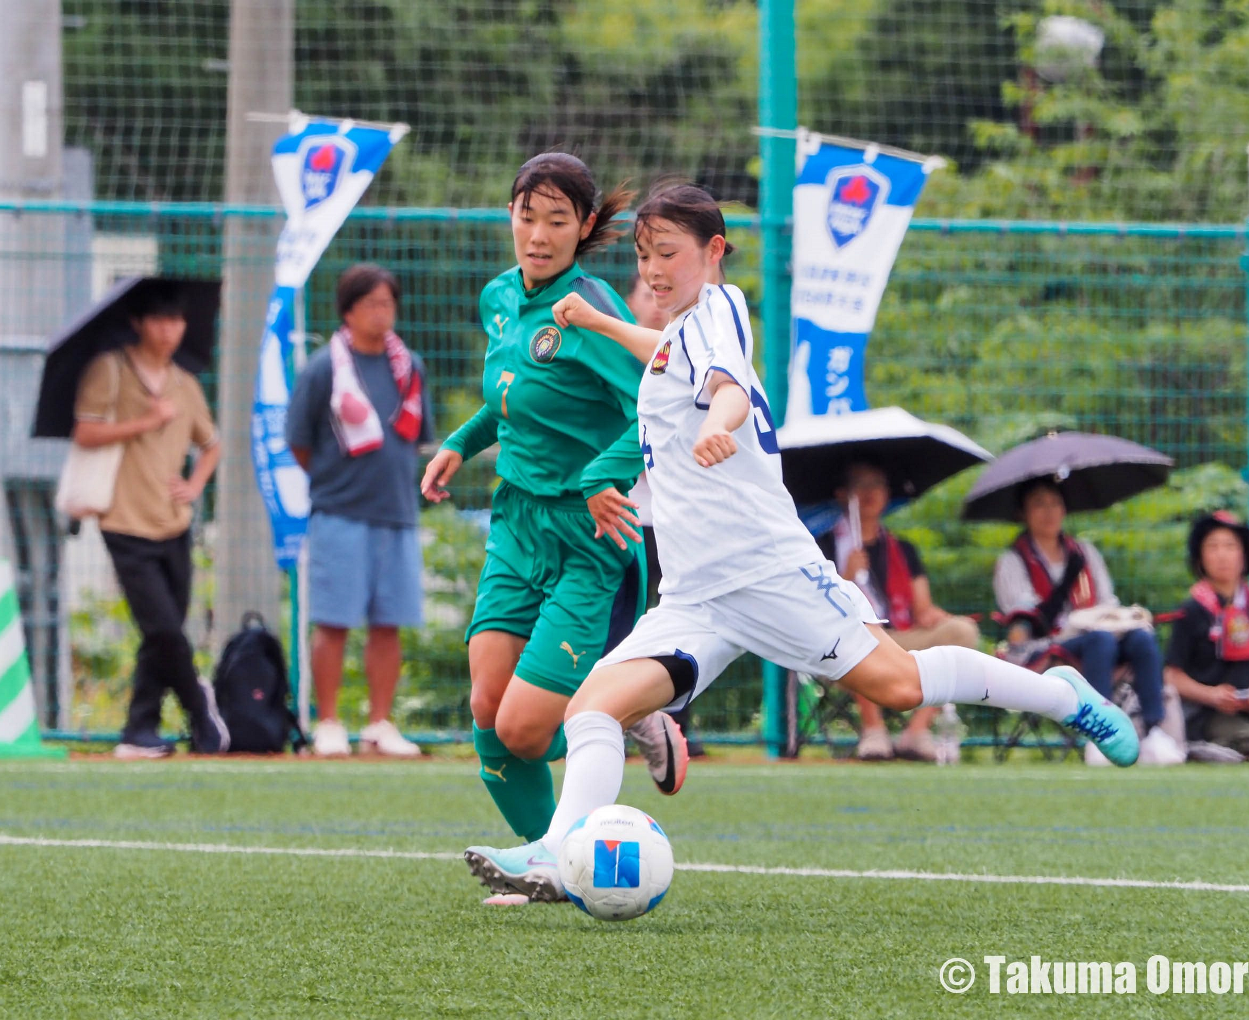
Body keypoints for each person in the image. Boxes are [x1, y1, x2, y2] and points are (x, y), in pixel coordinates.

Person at [463, 182, 1138, 902]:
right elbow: (666, 352)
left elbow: (723, 381)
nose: (653, 270)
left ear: (713, 252)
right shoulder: (679, 332)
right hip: (695, 595)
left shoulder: (718, 310)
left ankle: (1062, 697)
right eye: (642, 254)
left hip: (766, 573)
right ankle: (560, 850)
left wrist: (724, 420)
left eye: (668, 254)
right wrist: (600, 323)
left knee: (900, 685)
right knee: (592, 705)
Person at [420, 153, 687, 849]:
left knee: (523, 730)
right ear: (509, 215)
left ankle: (627, 713)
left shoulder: (592, 309)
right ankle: (555, 865)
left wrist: (603, 474)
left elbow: (657, 405)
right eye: (526, 216)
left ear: (585, 227)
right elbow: (512, 396)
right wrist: (462, 440)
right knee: (486, 712)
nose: (537, 234)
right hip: (516, 523)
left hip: (588, 535)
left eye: (557, 220)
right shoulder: (500, 298)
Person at [71, 282, 226, 759]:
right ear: (138, 323)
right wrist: (146, 419)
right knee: (162, 628)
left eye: (176, 320)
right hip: (123, 518)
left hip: (173, 521)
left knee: (164, 630)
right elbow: (85, 431)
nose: (170, 330)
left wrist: (195, 484)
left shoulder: (185, 382)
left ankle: (139, 730)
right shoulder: (109, 370)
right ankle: (202, 716)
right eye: (159, 319)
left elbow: (211, 443)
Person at [286, 264, 434, 757]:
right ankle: (328, 722)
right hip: (338, 512)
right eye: (372, 304)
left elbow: (418, 439)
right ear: (348, 311)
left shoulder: (409, 366)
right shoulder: (323, 368)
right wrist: (336, 482)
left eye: (388, 303)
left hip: (397, 512)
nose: (382, 312)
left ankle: (379, 724)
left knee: (388, 621)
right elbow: (299, 442)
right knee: (333, 620)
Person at [993, 479, 1184, 766]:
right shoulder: (1013, 560)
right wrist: (1066, 584)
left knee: (1140, 639)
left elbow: (1106, 602)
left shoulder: (1084, 552)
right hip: (1045, 647)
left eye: (1055, 503)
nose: (1049, 512)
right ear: (1023, 513)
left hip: (1096, 636)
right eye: (1038, 504)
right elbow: (1025, 623)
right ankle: (1098, 735)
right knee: (1101, 640)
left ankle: (1155, 731)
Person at [817, 461, 980, 761]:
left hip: (901, 637)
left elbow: (923, 610)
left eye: (877, 485)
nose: (870, 493)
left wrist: (935, 617)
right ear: (843, 495)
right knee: (857, 632)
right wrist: (846, 577)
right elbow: (818, 611)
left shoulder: (903, 549)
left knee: (962, 631)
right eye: (861, 485)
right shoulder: (823, 545)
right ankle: (873, 731)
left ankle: (916, 733)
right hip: (845, 646)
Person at [624, 271, 705, 758]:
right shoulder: (617, 361)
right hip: (626, 518)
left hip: (679, 520)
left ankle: (677, 727)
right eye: (644, 290)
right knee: (621, 624)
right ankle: (609, 721)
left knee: (680, 622)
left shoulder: (697, 359)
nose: (655, 300)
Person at [1164, 512, 1249, 762]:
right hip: (1207, 712)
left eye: (1230, 546)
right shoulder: (1191, 610)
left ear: (1244, 555)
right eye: (1213, 546)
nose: (1222, 555)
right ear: (1200, 557)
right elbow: (1173, 676)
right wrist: (1212, 695)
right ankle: (1201, 749)